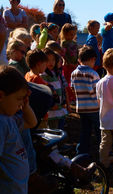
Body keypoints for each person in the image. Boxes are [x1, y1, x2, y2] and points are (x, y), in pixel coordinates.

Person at [0, 65, 37, 194]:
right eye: (18, 98)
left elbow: (31, 122)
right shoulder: (1, 123)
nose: (21, 103)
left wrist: (25, 107)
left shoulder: (10, 118)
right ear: (1, 96)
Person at [71, 46, 100, 155]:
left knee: (85, 130)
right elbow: (97, 91)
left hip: (81, 108)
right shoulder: (93, 74)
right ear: (93, 59)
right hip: (94, 108)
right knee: (99, 130)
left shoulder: (74, 73)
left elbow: (73, 89)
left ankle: (81, 151)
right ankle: (102, 149)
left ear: (79, 59)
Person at [41, 48, 69, 129]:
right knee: (53, 130)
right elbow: (45, 93)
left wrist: (65, 103)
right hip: (51, 109)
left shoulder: (56, 73)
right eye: (48, 60)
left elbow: (62, 89)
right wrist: (50, 105)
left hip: (59, 108)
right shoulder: (44, 75)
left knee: (60, 128)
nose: (51, 62)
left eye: (53, 60)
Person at [60, 23, 78, 102]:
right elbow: (63, 54)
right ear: (65, 34)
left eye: (73, 34)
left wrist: (77, 61)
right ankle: (69, 97)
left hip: (74, 65)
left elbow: (77, 53)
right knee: (67, 81)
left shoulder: (74, 43)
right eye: (70, 34)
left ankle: (74, 96)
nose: (72, 36)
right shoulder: (64, 43)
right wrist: (67, 62)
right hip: (67, 65)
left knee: (74, 81)